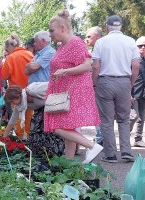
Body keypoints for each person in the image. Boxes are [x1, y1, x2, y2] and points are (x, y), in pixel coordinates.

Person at [44, 9, 102, 163]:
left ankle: (91, 146)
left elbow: (86, 65)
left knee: (58, 126)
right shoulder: (63, 45)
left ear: (62, 28)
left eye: (52, 30)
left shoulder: (75, 42)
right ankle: (69, 163)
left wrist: (65, 71)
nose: (50, 34)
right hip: (66, 92)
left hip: (73, 92)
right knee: (69, 127)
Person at [91, 15, 140, 163]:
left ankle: (110, 154)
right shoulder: (131, 42)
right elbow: (136, 66)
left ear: (107, 27)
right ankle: (126, 151)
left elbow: (95, 66)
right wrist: (130, 83)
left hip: (105, 82)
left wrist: (94, 84)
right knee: (124, 119)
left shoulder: (100, 42)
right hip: (124, 81)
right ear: (121, 27)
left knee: (106, 120)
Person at [85, 26, 103, 146]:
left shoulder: (101, 49)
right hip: (97, 85)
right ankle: (101, 137)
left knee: (99, 112)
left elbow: (96, 67)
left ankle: (100, 138)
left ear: (98, 36)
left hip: (100, 85)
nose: (86, 40)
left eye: (89, 37)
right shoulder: (93, 51)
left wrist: (93, 84)